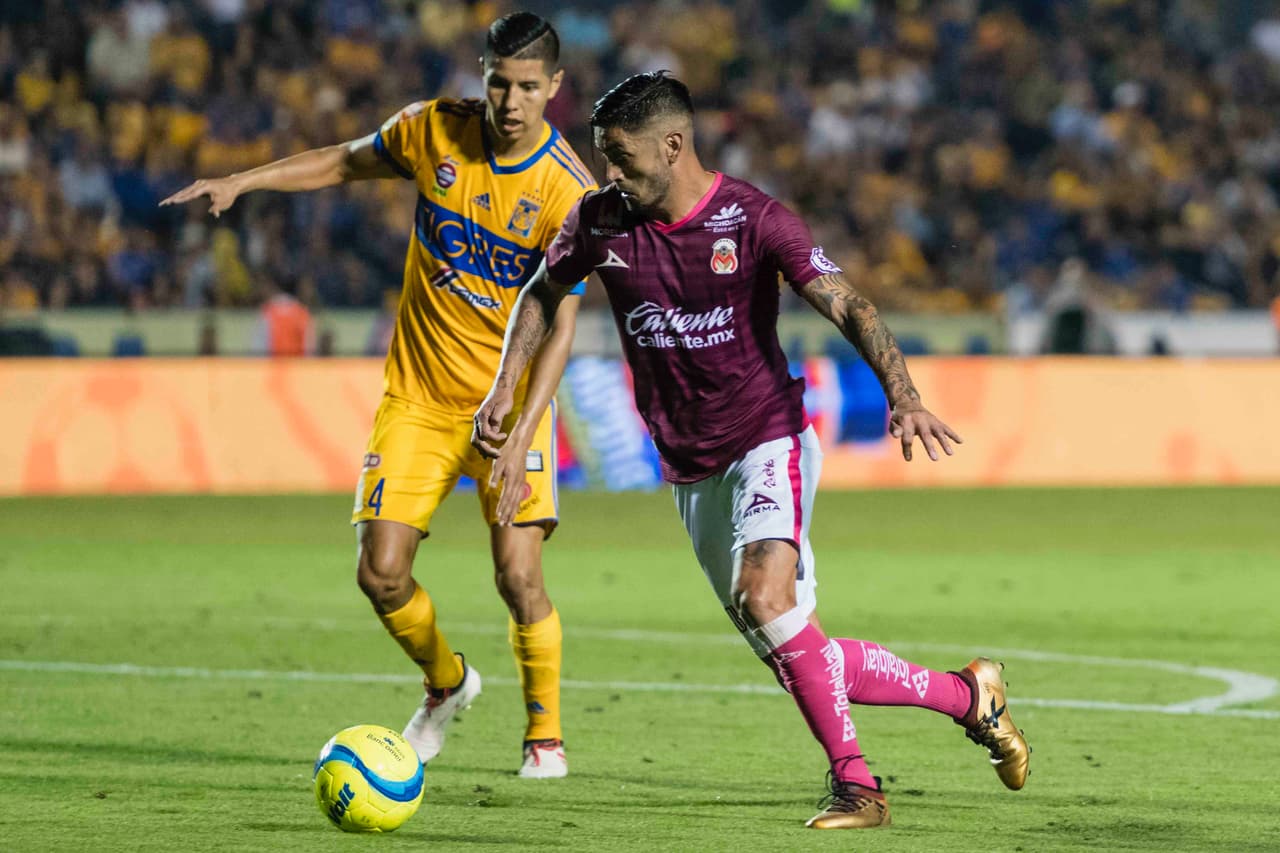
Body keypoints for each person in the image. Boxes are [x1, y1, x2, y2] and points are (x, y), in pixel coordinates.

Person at [474, 72, 1030, 828]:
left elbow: (850, 303)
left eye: (622, 157)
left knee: (762, 595)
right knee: (798, 646)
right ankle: (970, 695)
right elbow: (541, 294)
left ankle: (859, 787)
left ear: (674, 145)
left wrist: (903, 395)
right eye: (604, 157)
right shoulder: (601, 222)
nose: (610, 174)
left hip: (768, 437)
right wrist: (504, 392)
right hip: (691, 468)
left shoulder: (754, 218)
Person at [162, 13, 598, 778]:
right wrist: (244, 181)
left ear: (555, 88)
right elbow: (340, 161)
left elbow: (562, 325)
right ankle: (447, 684)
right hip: (419, 398)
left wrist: (525, 418)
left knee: (518, 575)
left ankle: (545, 737)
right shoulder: (431, 131)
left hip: (509, 407)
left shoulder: (569, 191)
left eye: (530, 87)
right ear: (482, 71)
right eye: (499, 80)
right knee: (380, 571)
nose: (511, 100)